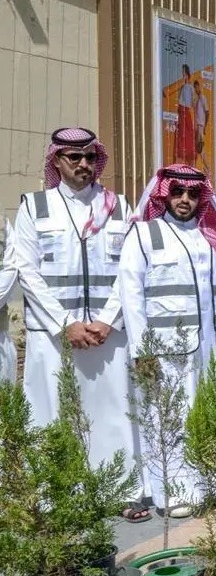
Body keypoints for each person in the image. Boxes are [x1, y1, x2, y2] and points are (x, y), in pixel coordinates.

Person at [7, 128, 138, 511]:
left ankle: (116, 492)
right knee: (53, 410)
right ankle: (56, 496)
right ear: (56, 161)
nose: (83, 165)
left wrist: (109, 319)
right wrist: (66, 323)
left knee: (111, 411)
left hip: (106, 335)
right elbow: (26, 272)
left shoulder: (118, 205)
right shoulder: (35, 207)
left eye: (89, 157)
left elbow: (129, 270)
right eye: (73, 157)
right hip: (54, 336)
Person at [118, 164, 216, 515]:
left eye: (193, 194)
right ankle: (174, 494)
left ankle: (207, 485)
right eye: (178, 192)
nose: (185, 200)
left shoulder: (210, 238)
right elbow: (130, 296)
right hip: (165, 349)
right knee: (169, 419)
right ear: (164, 194)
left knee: (204, 415)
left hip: (208, 345)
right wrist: (142, 349)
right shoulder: (143, 234)